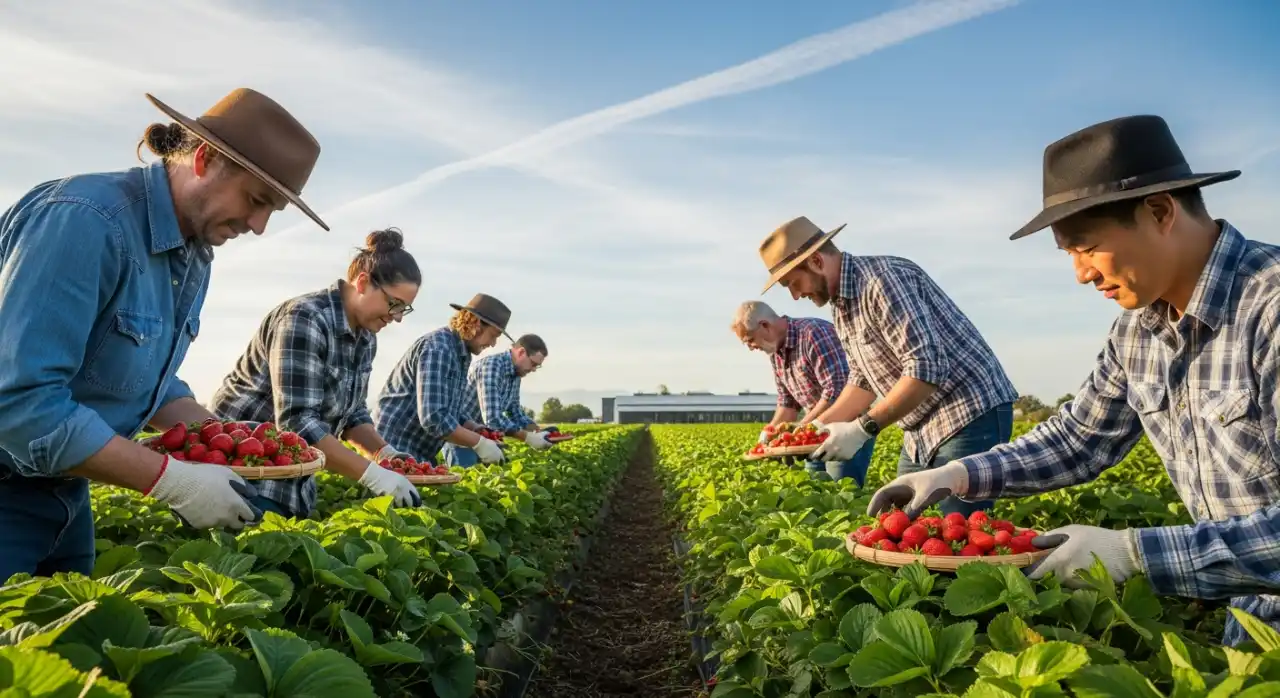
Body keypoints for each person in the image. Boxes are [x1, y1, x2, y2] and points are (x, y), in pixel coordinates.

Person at [866, 115, 1280, 645]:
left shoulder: (1267, 305)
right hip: (1249, 614)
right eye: (1069, 255)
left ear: (1159, 212)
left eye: (1086, 247)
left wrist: (1133, 554)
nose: (1081, 273)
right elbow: (1078, 440)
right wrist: (957, 475)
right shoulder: (1138, 330)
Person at [0, 87, 328, 581]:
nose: (259, 226)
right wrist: (172, 482)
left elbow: (148, 383)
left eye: (273, 212)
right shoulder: (86, 221)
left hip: (66, 491)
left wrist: (228, 437)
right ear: (203, 158)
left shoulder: (192, 253)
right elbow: (20, 402)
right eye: (257, 200)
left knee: (67, 645)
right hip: (7, 485)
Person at [757, 216, 1017, 516]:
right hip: (920, 428)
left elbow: (925, 366)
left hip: (969, 414)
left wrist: (862, 428)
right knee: (898, 522)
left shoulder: (883, 280)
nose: (795, 295)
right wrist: (817, 428)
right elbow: (862, 381)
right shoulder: (842, 307)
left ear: (816, 261)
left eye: (794, 283)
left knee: (956, 529)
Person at [209, 229, 425, 517]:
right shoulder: (305, 318)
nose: (397, 317)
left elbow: (353, 414)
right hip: (241, 472)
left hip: (293, 478)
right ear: (362, 283)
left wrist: (386, 455)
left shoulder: (366, 336)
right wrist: (373, 475)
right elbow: (297, 423)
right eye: (394, 304)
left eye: (404, 309)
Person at [731, 300, 877, 484]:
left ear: (765, 325)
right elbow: (787, 404)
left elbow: (836, 390)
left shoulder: (813, 334)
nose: (751, 347)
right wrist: (771, 433)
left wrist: (801, 429)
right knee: (813, 488)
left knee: (843, 490)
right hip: (815, 432)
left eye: (750, 340)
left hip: (845, 426)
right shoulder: (776, 353)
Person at [374, 294, 514, 468]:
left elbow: (449, 408)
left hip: (420, 449)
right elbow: (434, 418)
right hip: (395, 446)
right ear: (476, 324)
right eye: (494, 335)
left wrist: (474, 428)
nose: (493, 344)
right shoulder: (439, 349)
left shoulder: (460, 353)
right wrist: (479, 443)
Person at [445, 334, 555, 466]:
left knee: (492, 481)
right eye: (533, 364)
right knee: (466, 480)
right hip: (462, 438)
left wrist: (537, 430)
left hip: (488, 438)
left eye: (537, 367)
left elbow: (515, 412)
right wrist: (527, 437)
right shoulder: (492, 367)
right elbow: (493, 419)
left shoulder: (516, 375)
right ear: (521, 352)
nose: (533, 370)